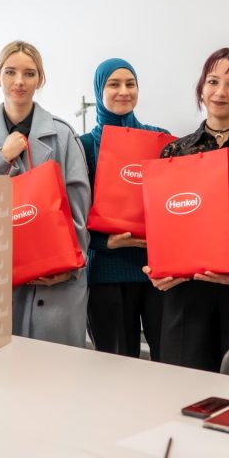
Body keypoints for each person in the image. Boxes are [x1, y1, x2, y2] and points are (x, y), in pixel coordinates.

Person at [0, 41, 91, 347]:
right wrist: (0, 157)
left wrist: (70, 268)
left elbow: (79, 205)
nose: (19, 81)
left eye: (29, 73)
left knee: (56, 370)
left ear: (40, 80)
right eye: (10, 72)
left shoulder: (62, 135)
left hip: (56, 286)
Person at [142, 48, 229, 372]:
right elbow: (163, 224)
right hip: (185, 293)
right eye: (213, 81)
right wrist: (157, 268)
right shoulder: (175, 151)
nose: (220, 92)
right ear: (201, 87)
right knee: (184, 388)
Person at [79, 58, 170, 359]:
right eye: (114, 84)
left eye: (131, 84)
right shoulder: (83, 146)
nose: (124, 91)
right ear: (99, 91)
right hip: (107, 273)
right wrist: (106, 242)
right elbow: (72, 214)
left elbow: (174, 202)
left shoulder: (159, 139)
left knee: (169, 363)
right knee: (115, 366)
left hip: (156, 273)